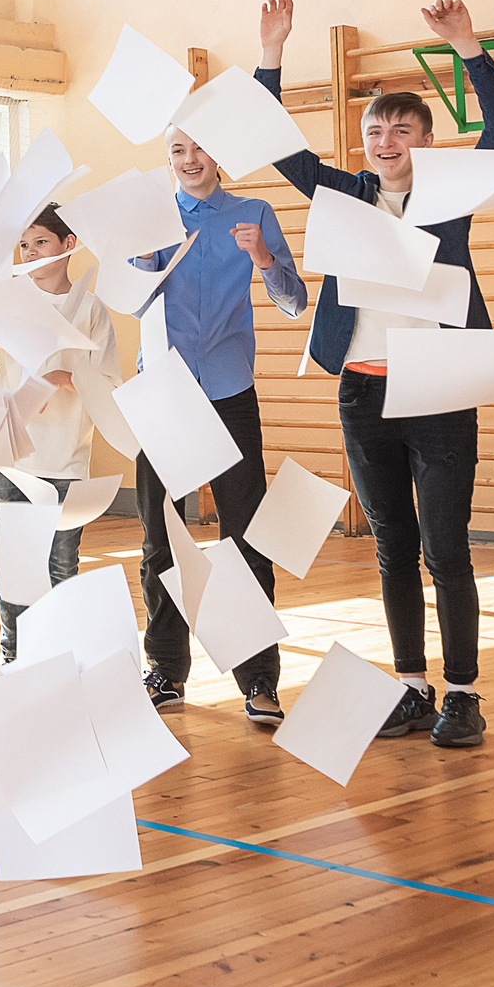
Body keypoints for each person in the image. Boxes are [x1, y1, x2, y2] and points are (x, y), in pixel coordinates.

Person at [257, 0, 494, 751]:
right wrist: (273, 49)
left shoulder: (447, 196)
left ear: (425, 139)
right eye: (375, 129)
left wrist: (468, 44)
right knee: (392, 544)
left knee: (447, 545)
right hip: (364, 388)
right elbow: (278, 145)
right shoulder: (344, 192)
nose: (385, 139)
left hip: (439, 383)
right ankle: (412, 687)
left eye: (401, 129)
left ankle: (464, 694)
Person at [130, 118, 308, 727]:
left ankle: (258, 678)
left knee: (246, 535)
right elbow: (127, 300)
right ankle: (165, 669)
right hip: (164, 392)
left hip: (230, 388)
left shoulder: (255, 212)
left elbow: (293, 301)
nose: (189, 159)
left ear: (219, 152)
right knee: (162, 539)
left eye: (200, 147)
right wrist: (138, 265)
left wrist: (262, 256)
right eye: (177, 149)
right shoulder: (149, 216)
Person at [0, 203, 116, 662]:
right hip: (11, 462)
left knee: (60, 566)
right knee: (13, 570)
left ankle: (58, 660)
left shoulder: (90, 310)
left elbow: (108, 387)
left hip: (66, 463)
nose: (30, 254)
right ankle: (15, 660)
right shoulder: (5, 305)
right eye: (23, 245)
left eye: (40, 243)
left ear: (69, 245)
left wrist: (64, 379)